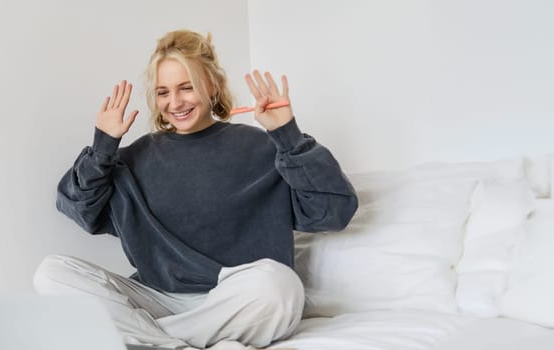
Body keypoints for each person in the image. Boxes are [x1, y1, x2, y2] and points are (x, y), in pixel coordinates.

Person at [34, 29, 358, 350]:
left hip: (235, 298)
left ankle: (148, 339)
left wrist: (287, 134)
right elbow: (79, 209)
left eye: (186, 87)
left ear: (212, 85)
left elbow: (333, 211)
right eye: (163, 92)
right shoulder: (133, 158)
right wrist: (103, 147)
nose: (175, 102)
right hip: (156, 298)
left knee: (281, 286)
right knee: (52, 273)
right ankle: (176, 343)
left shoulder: (262, 148)